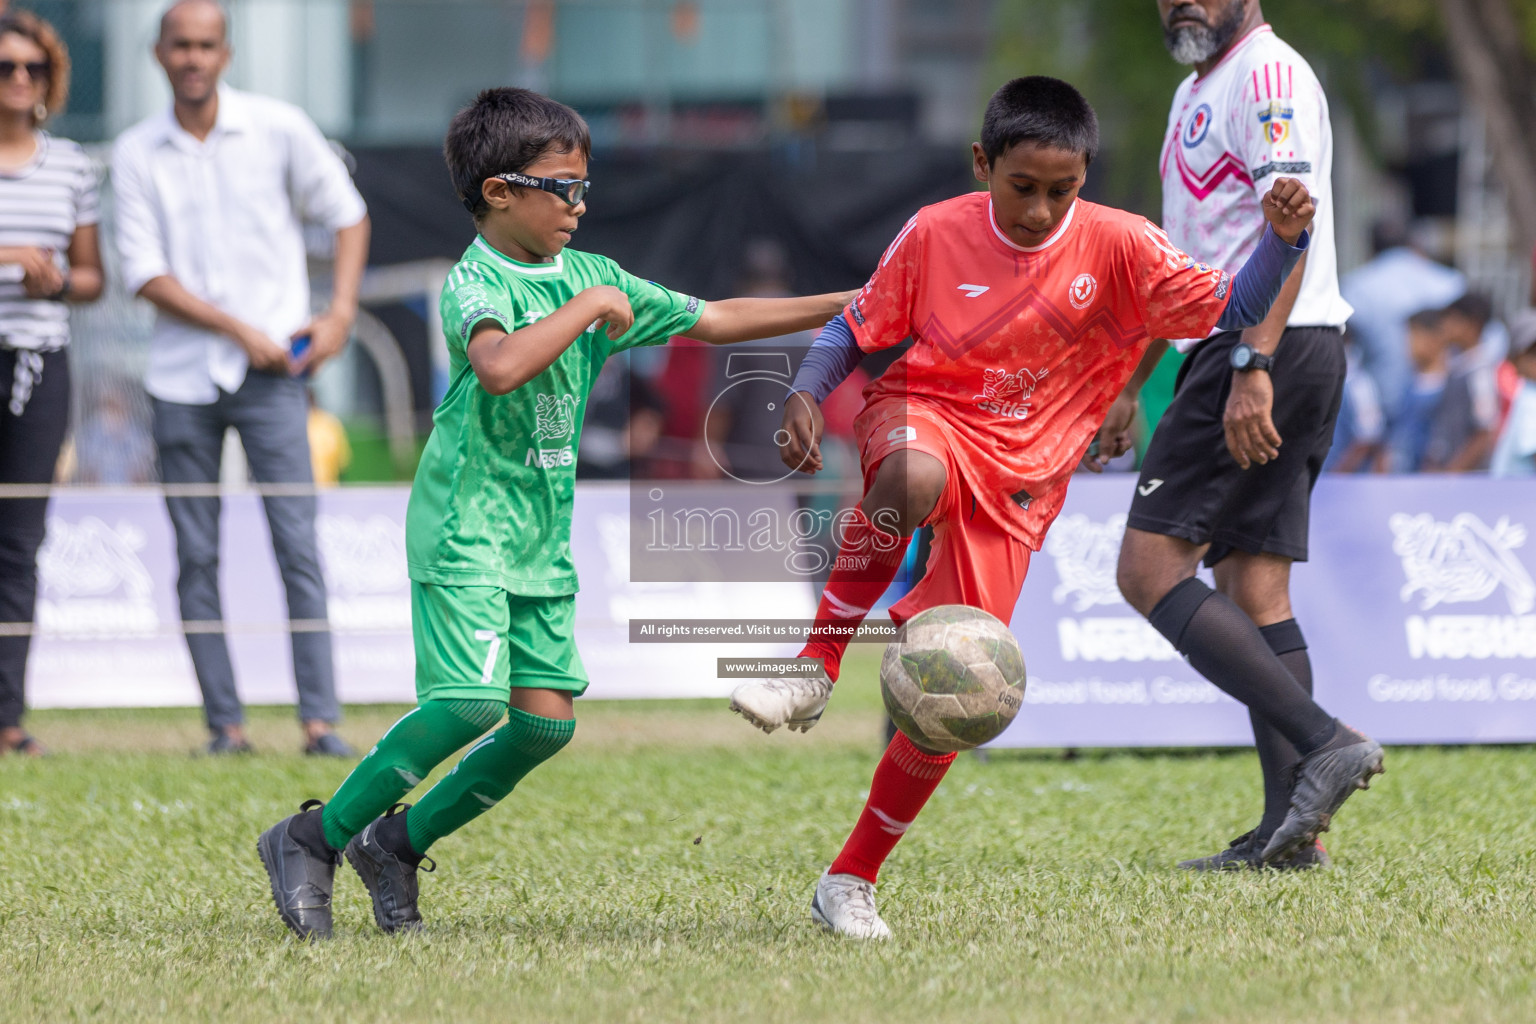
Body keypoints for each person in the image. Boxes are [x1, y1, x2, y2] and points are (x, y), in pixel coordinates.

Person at [254, 87, 856, 941]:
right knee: (467, 703)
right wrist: (587, 312)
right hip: (465, 524)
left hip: (539, 534)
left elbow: (716, 318)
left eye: (583, 185)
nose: (581, 203)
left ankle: (399, 842)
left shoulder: (594, 276)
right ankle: (312, 836)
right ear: (499, 191)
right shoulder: (476, 278)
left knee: (542, 725)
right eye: (561, 186)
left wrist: (856, 304)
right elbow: (498, 367)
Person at [730, 75, 1321, 939]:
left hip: (1020, 484)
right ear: (983, 163)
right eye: (1023, 188)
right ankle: (815, 665)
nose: (1043, 210)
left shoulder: (1122, 245)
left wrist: (1285, 238)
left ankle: (849, 879)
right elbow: (854, 326)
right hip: (926, 413)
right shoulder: (935, 230)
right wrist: (807, 392)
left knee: (956, 694)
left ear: (1084, 178)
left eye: (1063, 191)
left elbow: (1234, 306)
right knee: (907, 479)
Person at [1113, 0, 1381, 875]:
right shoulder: (1201, 87)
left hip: (1266, 345)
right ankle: (1289, 835)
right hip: (1269, 345)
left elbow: (1288, 223)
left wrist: (1251, 363)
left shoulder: (1266, 75)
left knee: (1149, 572)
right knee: (1255, 586)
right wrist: (1130, 376)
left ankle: (1324, 740)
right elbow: (1183, 263)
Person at [111, 0, 369, 756]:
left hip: (277, 376)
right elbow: (144, 274)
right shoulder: (135, 152)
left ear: (226, 54)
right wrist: (239, 331)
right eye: (180, 45)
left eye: (206, 45)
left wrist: (341, 314)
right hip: (180, 378)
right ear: (157, 54)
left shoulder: (279, 127)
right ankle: (224, 727)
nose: (193, 57)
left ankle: (320, 722)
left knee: (298, 544)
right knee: (196, 554)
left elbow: (348, 214)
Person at [0, 8, 103, 757]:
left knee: (19, 542)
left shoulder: (70, 165)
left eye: (32, 67)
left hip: (40, 364)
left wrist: (56, 278)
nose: (20, 79)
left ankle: (7, 715)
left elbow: (93, 279)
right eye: (5, 67)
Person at [1341, 218, 1464, 426]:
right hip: (1444, 406)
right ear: (1412, 243)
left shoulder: (1356, 285)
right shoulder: (1451, 282)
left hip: (1383, 408)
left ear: (1370, 247)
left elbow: (1345, 353)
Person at [1428, 293, 1502, 472]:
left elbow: (1485, 431)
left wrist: (1453, 472)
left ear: (1472, 324)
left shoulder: (1481, 372)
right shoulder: (1457, 365)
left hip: (1467, 479)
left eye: (1452, 320)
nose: (1444, 326)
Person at [1384, 309, 1450, 472]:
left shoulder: (1447, 387)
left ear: (1434, 339)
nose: (1408, 345)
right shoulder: (1410, 383)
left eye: (1414, 337)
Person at [1490, 311, 1536, 477]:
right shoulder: (1530, 398)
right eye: (1533, 354)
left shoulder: (1528, 394)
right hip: (1517, 496)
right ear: (1515, 359)